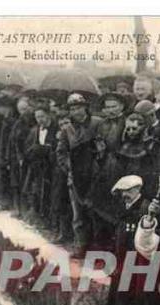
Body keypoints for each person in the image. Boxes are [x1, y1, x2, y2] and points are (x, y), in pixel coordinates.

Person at [92, 175, 151, 305]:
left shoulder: (145, 210)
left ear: (136, 190)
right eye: (121, 193)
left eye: (126, 192)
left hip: (136, 272)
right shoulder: (126, 210)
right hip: (121, 270)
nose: (123, 196)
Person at [56, 93, 104, 256]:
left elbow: (104, 147)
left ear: (85, 107)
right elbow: (61, 152)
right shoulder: (67, 130)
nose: (76, 111)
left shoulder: (98, 123)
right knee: (78, 215)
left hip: (95, 177)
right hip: (75, 179)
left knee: (96, 213)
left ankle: (97, 248)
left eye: (79, 107)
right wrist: (70, 168)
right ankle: (81, 246)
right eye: (72, 109)